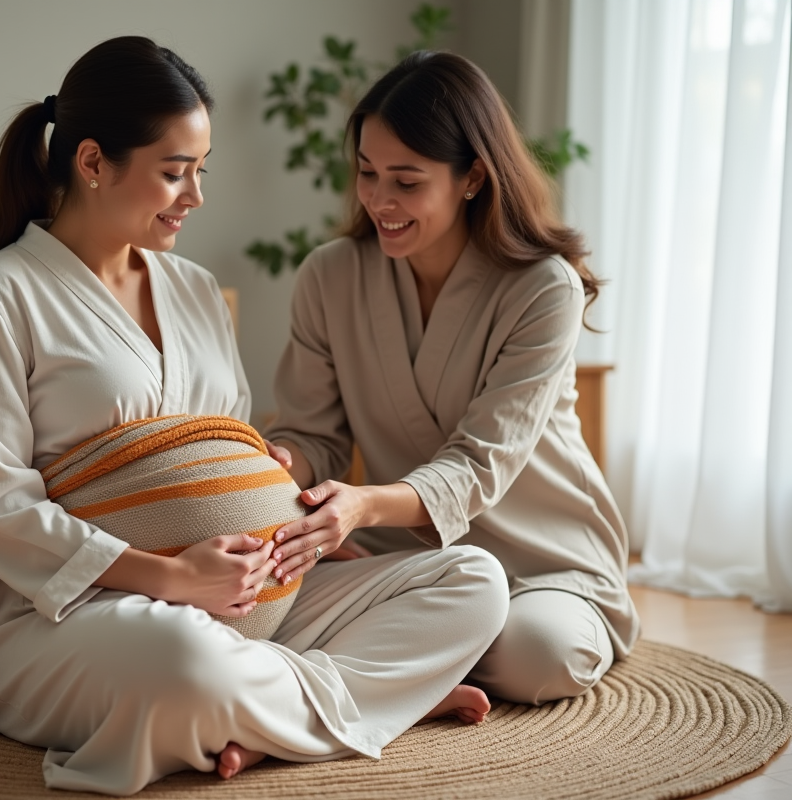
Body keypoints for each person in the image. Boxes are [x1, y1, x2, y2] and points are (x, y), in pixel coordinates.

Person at [0, 37, 510, 796]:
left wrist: (289, 531)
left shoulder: (198, 291)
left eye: (200, 172)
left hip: (242, 601)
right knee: (182, 663)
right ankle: (365, 702)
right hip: (71, 616)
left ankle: (270, 711)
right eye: (175, 173)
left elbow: (234, 460)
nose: (195, 197)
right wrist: (169, 578)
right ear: (91, 162)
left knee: (475, 581)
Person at [264, 51, 641, 707]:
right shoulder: (329, 276)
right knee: (249, 609)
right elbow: (311, 435)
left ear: (471, 178)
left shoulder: (542, 288)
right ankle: (421, 671)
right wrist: (272, 466)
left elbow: (478, 464)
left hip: (539, 561)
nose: (380, 200)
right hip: (401, 560)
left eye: (406, 182)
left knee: (537, 656)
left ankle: (406, 663)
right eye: (366, 173)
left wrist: (360, 505)